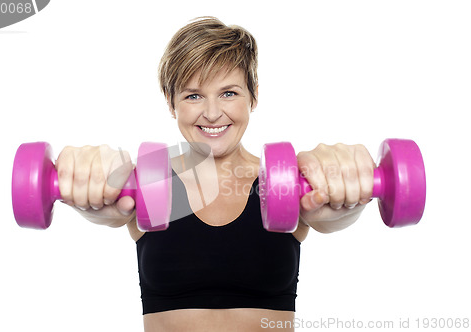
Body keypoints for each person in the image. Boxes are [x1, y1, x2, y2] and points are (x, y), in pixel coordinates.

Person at [55, 17, 375, 332]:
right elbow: (107, 213)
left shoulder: (290, 186)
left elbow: (331, 219)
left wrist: (351, 197)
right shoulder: (146, 186)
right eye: (193, 95)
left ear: (254, 96)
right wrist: (90, 192)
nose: (211, 113)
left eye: (229, 93)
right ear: (171, 103)